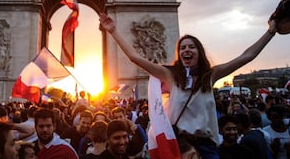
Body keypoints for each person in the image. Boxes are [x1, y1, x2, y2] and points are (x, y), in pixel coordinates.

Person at [99, 11, 280, 159]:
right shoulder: (170, 76)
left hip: (207, 146)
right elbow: (135, 58)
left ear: (199, 52)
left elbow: (246, 56)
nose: (187, 50)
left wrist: (270, 32)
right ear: (179, 54)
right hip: (180, 146)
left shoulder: (210, 76)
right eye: (182, 48)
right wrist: (113, 30)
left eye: (191, 47)